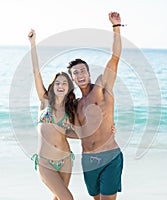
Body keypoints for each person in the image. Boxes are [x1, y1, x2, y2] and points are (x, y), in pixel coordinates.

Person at [67, 12, 124, 200]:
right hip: (88, 161)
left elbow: (115, 58)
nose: (80, 74)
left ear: (89, 73)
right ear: (73, 78)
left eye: (83, 70)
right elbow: (77, 132)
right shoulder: (75, 104)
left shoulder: (101, 87)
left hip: (110, 156)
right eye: (76, 73)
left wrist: (116, 27)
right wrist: (49, 132)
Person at [28, 29, 76, 200]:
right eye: (58, 82)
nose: (61, 85)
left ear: (69, 88)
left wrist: (108, 130)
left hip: (65, 160)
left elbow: (75, 132)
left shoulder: (71, 109)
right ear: (53, 86)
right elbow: (35, 72)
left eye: (65, 83)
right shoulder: (44, 101)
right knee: (67, 198)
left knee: (59, 198)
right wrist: (33, 44)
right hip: (45, 162)